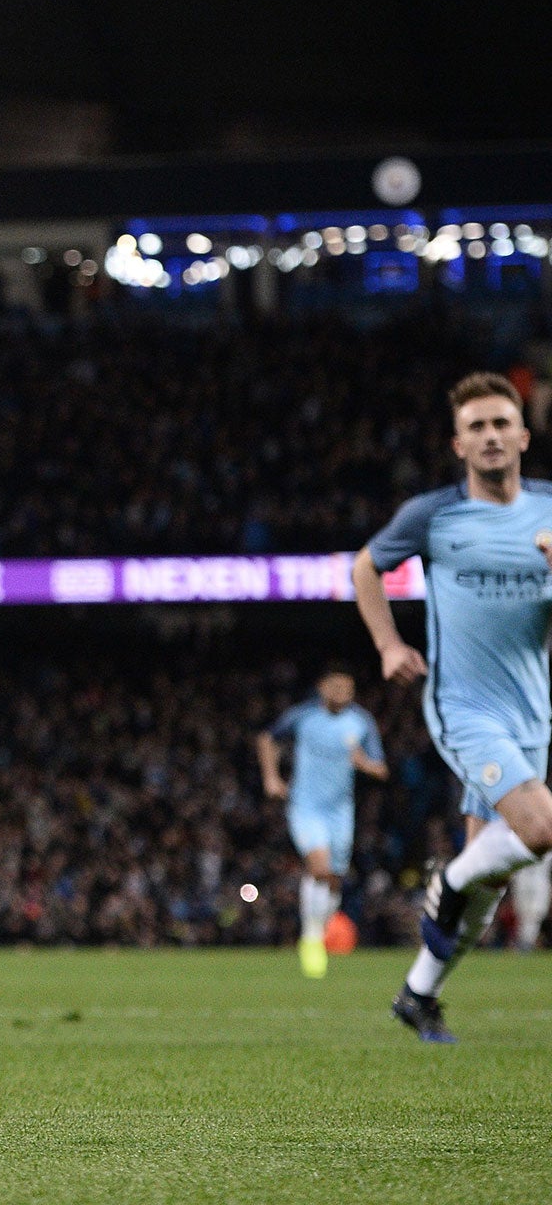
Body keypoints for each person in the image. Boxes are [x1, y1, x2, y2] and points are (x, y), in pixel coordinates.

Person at [353, 372, 552, 1042]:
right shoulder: (432, 516)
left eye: (501, 423)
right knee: (539, 828)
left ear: (523, 435)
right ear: (458, 444)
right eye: (477, 427)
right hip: (465, 706)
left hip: (532, 712)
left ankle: (417, 995)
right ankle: (452, 875)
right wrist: (386, 645)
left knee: (486, 893)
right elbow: (364, 567)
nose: (491, 436)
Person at [255, 663, 386, 979]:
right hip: (306, 806)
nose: (342, 693)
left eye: (348, 688)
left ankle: (320, 928)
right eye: (336, 686)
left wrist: (363, 763)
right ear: (322, 687)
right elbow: (266, 739)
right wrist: (272, 777)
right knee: (319, 866)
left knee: (334, 878)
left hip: (340, 811)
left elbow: (381, 769)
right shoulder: (303, 717)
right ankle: (311, 938)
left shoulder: (361, 722)